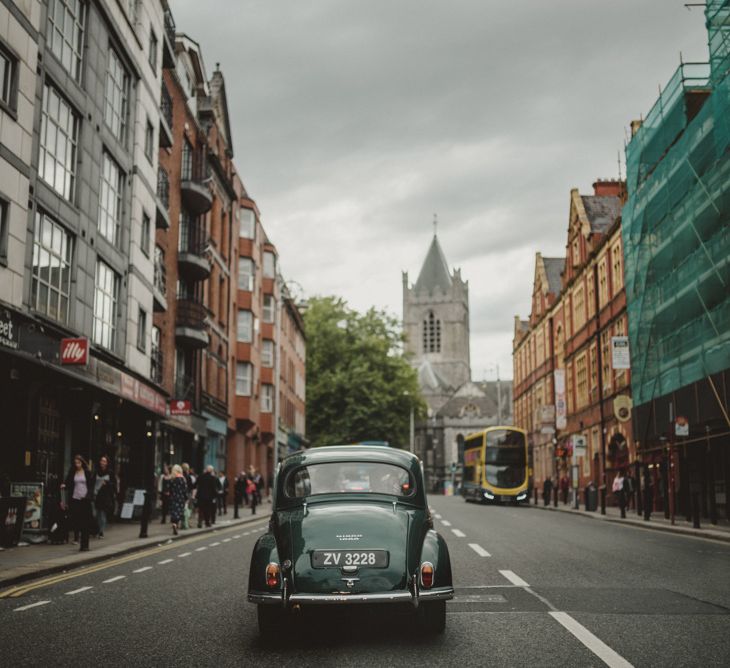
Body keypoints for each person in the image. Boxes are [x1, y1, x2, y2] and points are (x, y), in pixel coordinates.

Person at [61, 455, 94, 552]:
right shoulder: (73, 472)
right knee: (76, 518)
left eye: (78, 463)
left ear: (82, 463)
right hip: (75, 498)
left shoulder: (87, 472)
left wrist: (88, 496)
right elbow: (69, 482)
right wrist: (64, 485)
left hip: (85, 499)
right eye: (75, 463)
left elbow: (91, 486)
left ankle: (84, 544)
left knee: (85, 521)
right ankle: (76, 538)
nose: (77, 465)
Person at [93, 455, 116, 538]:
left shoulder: (110, 472)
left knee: (102, 515)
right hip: (96, 495)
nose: (102, 462)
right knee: (95, 514)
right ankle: (96, 530)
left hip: (105, 496)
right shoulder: (96, 471)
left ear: (107, 463)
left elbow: (114, 484)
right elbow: (92, 482)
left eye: (104, 461)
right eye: (101, 461)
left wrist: (107, 483)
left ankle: (101, 532)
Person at [169, 465, 188, 535]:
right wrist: (186, 498)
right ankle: (176, 524)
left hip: (173, 498)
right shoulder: (183, 479)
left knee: (173, 511)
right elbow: (185, 490)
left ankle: (174, 524)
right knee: (179, 512)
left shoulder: (172, 479)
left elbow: (170, 489)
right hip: (180, 498)